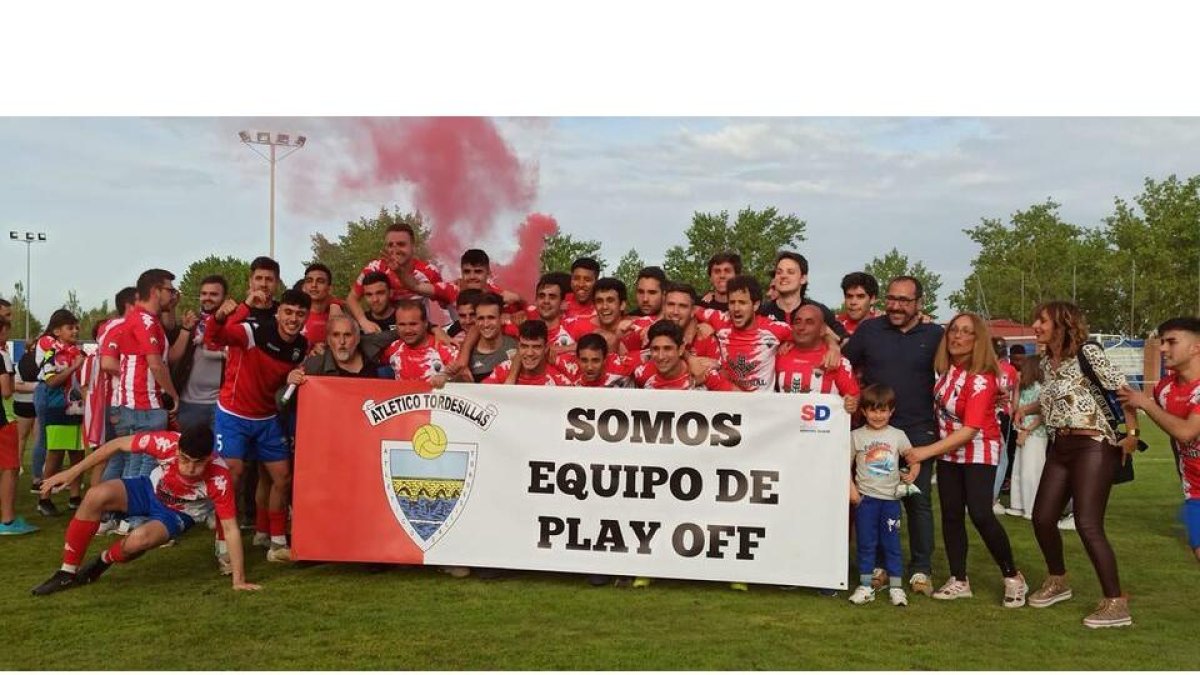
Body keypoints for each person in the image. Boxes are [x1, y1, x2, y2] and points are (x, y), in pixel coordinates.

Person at [29, 425, 258, 595]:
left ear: (209, 458)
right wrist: (72, 473)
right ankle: (67, 573)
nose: (189, 468)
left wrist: (238, 580)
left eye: (197, 462)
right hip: (149, 488)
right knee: (95, 495)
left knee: (138, 541)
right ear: (177, 449)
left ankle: (102, 561)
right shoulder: (166, 442)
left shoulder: (220, 477)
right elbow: (117, 444)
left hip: (179, 512)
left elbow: (231, 528)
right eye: (184, 459)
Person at [1025, 301, 1138, 628]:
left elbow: (1125, 392)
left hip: (1093, 446)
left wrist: (1131, 434)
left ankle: (1116, 603)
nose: (1035, 326)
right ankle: (1058, 580)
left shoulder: (1089, 353)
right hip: (1060, 445)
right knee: (1042, 518)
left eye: (1041, 321)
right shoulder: (1047, 361)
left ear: (1062, 323)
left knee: (1089, 524)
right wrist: (1027, 408)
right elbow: (1056, 400)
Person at [905, 312, 1028, 607]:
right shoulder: (947, 371)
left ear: (978, 340)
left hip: (978, 449)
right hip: (949, 451)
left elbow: (971, 429)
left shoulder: (982, 379)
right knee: (950, 515)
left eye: (966, 332)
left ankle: (1013, 576)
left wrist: (925, 451)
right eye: (953, 331)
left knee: (981, 514)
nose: (957, 337)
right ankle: (959, 579)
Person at [843, 275, 944, 596]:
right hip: (873, 427)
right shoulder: (870, 330)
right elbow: (844, 364)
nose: (897, 306)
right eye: (892, 299)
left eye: (905, 300)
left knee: (916, 500)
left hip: (917, 429)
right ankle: (880, 566)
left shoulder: (935, 333)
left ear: (919, 304)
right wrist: (850, 393)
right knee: (873, 499)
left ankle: (920, 570)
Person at [205, 288, 310, 563]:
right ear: (278, 312)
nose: (293, 318)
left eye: (300, 314)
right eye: (288, 312)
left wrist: (292, 377)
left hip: (267, 418)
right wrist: (218, 317)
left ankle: (276, 545)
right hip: (233, 414)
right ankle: (223, 545)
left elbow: (286, 381)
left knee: (282, 478)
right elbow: (213, 338)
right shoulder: (253, 332)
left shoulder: (302, 346)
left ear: (306, 318)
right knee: (233, 476)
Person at [1118, 316, 1200, 563]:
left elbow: (1187, 432)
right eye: (1162, 342)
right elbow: (1178, 442)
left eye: (1171, 342)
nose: (1163, 349)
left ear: (1196, 347)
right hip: (1195, 493)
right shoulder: (1163, 389)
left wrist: (1145, 404)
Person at [109, 269, 181, 532]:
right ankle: (135, 520)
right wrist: (173, 395)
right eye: (169, 290)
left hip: (135, 402)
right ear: (155, 291)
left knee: (134, 462)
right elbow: (156, 364)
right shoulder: (144, 321)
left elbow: (167, 357)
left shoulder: (145, 320)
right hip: (144, 402)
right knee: (146, 463)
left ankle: (126, 519)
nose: (172, 295)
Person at [848, 384, 916, 606]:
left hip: (891, 502)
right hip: (865, 501)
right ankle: (866, 586)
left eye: (883, 410)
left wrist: (912, 473)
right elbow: (843, 465)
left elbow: (912, 458)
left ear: (891, 411)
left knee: (891, 544)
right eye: (873, 410)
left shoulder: (898, 435)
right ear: (864, 412)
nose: (878, 415)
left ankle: (896, 588)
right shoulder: (856, 436)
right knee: (866, 544)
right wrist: (853, 491)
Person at [694, 275, 797, 392]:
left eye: (742, 302)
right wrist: (697, 325)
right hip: (729, 404)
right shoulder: (720, 320)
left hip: (762, 405)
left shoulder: (774, 328)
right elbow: (687, 310)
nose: (736, 308)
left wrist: (790, 341)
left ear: (755, 305)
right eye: (732, 302)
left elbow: (814, 333)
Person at [345, 222, 442, 334]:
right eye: (390, 245)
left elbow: (446, 302)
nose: (395, 250)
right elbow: (351, 298)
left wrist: (437, 329)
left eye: (401, 244)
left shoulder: (429, 271)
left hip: (418, 333)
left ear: (413, 246)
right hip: (385, 332)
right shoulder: (375, 268)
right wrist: (363, 322)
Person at [34, 309, 86, 517]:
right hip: (56, 406)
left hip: (77, 407)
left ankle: (75, 498)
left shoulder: (76, 351)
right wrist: (73, 368)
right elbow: (51, 381)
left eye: (76, 327)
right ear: (56, 331)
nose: (75, 331)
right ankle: (44, 498)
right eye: (69, 327)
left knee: (78, 453)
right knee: (55, 454)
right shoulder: (51, 352)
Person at [169, 275, 228, 433]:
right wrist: (185, 328)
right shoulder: (191, 323)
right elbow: (172, 356)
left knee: (219, 456)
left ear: (225, 298)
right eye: (204, 294)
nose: (207, 298)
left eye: (214, 294)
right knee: (189, 456)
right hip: (189, 404)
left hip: (222, 404)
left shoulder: (234, 326)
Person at [775, 304, 860, 408]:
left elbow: (854, 397)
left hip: (821, 424)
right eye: (797, 321)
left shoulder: (836, 360)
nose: (801, 327)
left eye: (809, 322)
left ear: (822, 329)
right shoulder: (780, 354)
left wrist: (852, 403)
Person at [0, 315, 38, 534]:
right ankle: (7, 520)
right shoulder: (2, 356)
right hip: (4, 418)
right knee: (9, 469)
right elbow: (6, 391)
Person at [756, 252, 848, 341]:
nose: (783, 276)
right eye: (779, 272)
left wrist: (833, 342)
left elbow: (845, 340)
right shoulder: (761, 312)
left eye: (790, 272)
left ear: (803, 279)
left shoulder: (818, 311)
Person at [380, 300, 471, 386]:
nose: (407, 330)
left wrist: (450, 377)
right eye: (402, 324)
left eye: (413, 324)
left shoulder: (446, 349)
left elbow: (469, 381)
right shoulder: (393, 348)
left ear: (426, 324)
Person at [1008, 356, 1047, 519]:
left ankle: (1032, 508)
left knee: (1032, 471)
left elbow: (1043, 413)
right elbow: (1015, 407)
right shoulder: (1024, 387)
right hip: (1021, 430)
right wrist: (1016, 387)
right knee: (1019, 469)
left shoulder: (1042, 388)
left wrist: (1028, 430)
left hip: (1035, 433)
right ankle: (1018, 504)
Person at [482, 320, 574, 386]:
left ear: (546, 348)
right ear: (519, 346)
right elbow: (479, 397)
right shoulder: (503, 370)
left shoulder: (560, 382)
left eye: (536, 347)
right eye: (524, 346)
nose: (530, 353)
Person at [465, 293, 517, 382]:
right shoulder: (466, 356)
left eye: (491, 318)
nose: (486, 324)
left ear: (501, 318)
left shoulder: (516, 347)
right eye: (481, 318)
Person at [299, 263, 344, 346]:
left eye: (320, 281)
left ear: (330, 289)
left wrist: (336, 305)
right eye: (309, 281)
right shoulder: (294, 316)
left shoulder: (340, 315)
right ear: (304, 287)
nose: (314, 285)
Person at [836, 272, 881, 336]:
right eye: (849, 296)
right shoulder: (833, 325)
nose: (853, 302)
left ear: (872, 299)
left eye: (860, 296)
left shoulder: (884, 326)